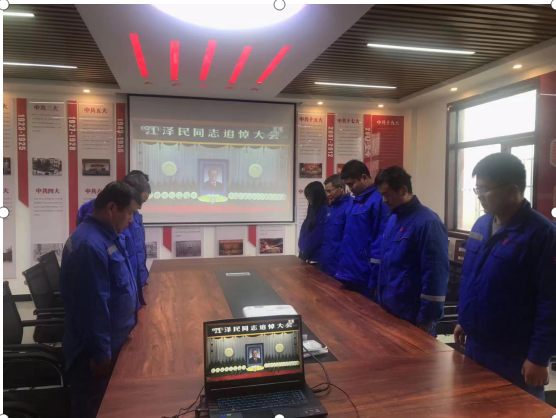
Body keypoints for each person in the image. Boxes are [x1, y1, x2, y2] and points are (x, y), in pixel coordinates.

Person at [455, 153, 556, 401]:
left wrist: (539, 357)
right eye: (477, 189)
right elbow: (471, 278)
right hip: (476, 345)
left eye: (485, 189)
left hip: (515, 355)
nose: (479, 195)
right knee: (473, 407)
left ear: (512, 190)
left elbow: (550, 302)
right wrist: (463, 319)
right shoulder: (481, 225)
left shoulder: (543, 235)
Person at [60, 182, 141, 418]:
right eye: (130, 213)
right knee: (95, 410)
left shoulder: (106, 236)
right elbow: (92, 309)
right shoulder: (88, 245)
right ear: (112, 208)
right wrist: (102, 355)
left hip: (110, 345)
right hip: (93, 358)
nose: (131, 221)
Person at [375, 166, 449, 336]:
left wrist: (428, 317)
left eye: (387, 195)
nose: (384, 200)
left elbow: (435, 275)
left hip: (414, 316)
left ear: (403, 190)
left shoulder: (428, 222)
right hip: (391, 308)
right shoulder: (393, 220)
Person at [77, 171, 151, 305]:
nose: (131, 218)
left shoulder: (129, 214)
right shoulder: (91, 240)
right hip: (119, 298)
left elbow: (135, 253)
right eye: (130, 212)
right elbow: (96, 300)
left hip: (131, 291)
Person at [335, 160, 389, 297]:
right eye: (347, 185)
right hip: (349, 272)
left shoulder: (379, 200)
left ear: (364, 177)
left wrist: (375, 278)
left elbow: (381, 241)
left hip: (366, 275)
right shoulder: (354, 200)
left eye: (351, 184)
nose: (350, 189)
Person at [321, 174, 351, 277]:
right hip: (327, 263)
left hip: (340, 265)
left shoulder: (350, 207)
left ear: (340, 188)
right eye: (326, 191)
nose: (328, 195)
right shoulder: (331, 208)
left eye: (330, 191)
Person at [298, 182, 328, 267]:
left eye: (309, 195)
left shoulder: (324, 210)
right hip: (307, 256)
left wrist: (305, 254)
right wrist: (302, 251)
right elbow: (304, 231)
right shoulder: (311, 209)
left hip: (317, 259)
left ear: (317, 195)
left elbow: (317, 236)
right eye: (307, 196)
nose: (308, 198)